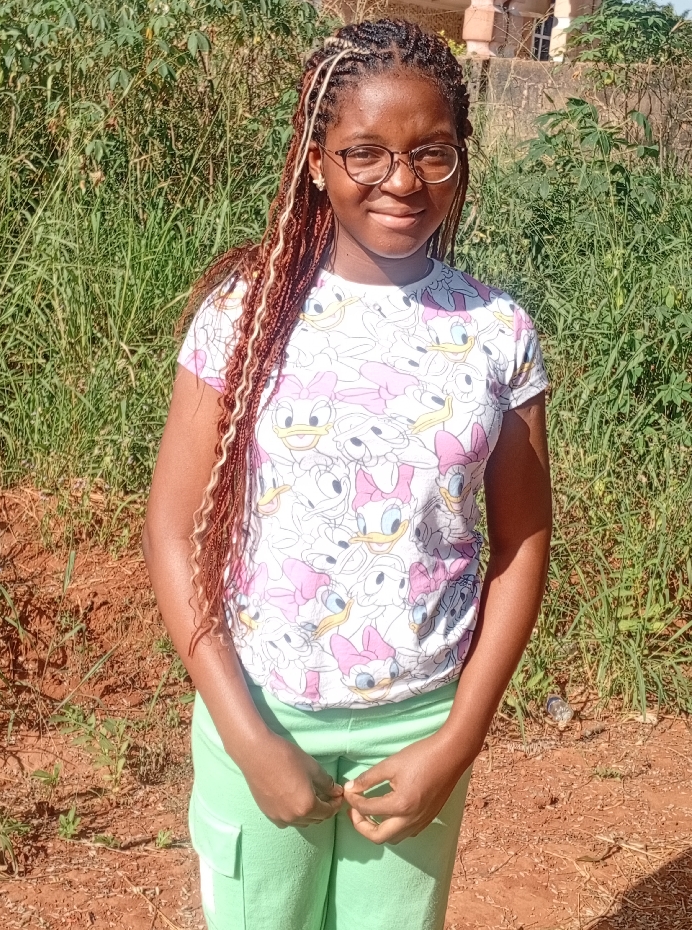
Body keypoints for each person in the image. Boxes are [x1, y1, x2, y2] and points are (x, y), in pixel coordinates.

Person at [143, 18, 552, 930]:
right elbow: (171, 531)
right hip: (261, 710)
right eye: (365, 151)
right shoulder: (242, 316)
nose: (401, 181)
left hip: (420, 726)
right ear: (315, 162)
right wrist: (248, 738)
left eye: (431, 152)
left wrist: (458, 739)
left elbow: (523, 543)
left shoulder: (497, 333)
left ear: (460, 161)